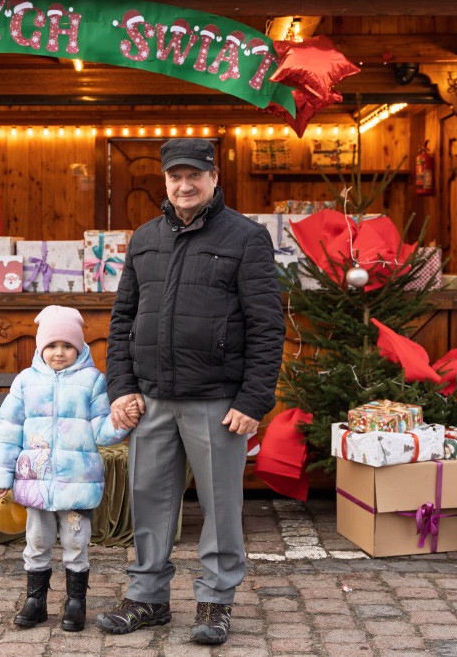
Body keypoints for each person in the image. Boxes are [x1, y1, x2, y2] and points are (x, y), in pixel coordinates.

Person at [95, 138, 286, 645]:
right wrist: (121, 387)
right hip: (151, 399)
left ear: (213, 178)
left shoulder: (246, 238)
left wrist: (253, 399)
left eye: (194, 176)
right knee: (149, 501)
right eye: (175, 177)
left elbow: (268, 326)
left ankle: (215, 603)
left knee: (221, 508)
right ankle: (148, 598)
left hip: (217, 401)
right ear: (165, 181)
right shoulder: (144, 240)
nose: (185, 185)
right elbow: (122, 322)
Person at [0, 305, 134, 632]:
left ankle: (75, 603)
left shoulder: (93, 381)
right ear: (41, 348)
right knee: (37, 540)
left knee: (75, 543)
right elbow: (7, 432)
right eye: (51, 345)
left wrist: (121, 423)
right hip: (35, 484)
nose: (59, 352)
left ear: (79, 348)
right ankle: (35, 601)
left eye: (67, 345)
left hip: (76, 484)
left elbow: (101, 429)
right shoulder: (25, 382)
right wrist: (1, 476)